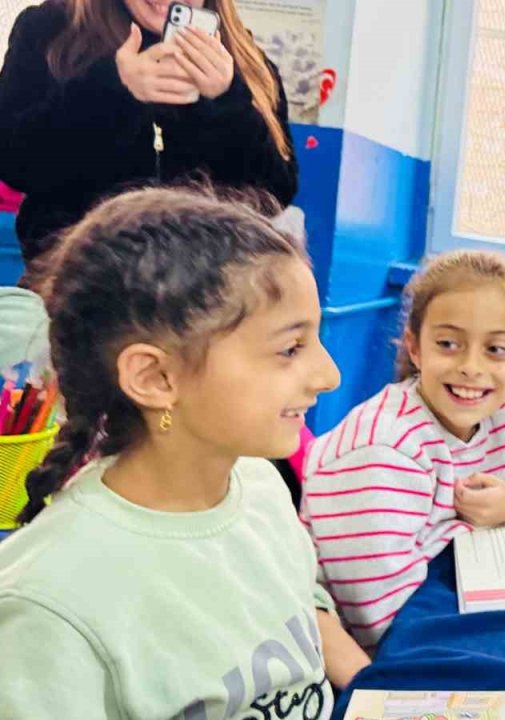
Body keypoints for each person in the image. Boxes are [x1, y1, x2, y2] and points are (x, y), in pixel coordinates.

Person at [0, 187, 369, 717]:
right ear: (156, 377)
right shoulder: (49, 606)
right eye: (290, 349)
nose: (328, 376)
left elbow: (305, 611)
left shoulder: (260, 487)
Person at [301, 249, 505, 648]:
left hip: (460, 606)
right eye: (448, 343)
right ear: (415, 347)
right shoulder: (384, 449)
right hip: (383, 653)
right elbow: (378, 621)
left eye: (496, 349)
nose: (471, 367)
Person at [0, 0, 297, 267]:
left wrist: (227, 102)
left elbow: (273, 192)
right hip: (76, 287)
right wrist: (113, 88)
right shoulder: (52, 30)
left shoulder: (244, 58)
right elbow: (15, 160)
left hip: (206, 296)